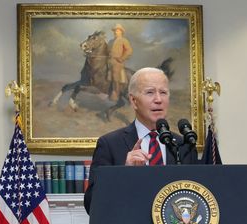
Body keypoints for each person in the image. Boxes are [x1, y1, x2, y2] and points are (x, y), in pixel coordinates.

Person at [85, 67, 199, 212]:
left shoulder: (184, 145)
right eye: (150, 92)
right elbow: (91, 205)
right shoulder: (109, 144)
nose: (158, 99)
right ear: (133, 101)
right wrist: (123, 172)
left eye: (163, 92)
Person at [108, 23, 133, 102]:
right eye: (115, 31)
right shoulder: (110, 41)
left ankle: (116, 93)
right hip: (108, 60)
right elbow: (107, 51)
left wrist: (122, 58)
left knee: (115, 73)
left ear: (121, 32)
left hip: (117, 62)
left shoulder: (124, 40)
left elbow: (129, 51)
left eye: (118, 31)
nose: (116, 32)